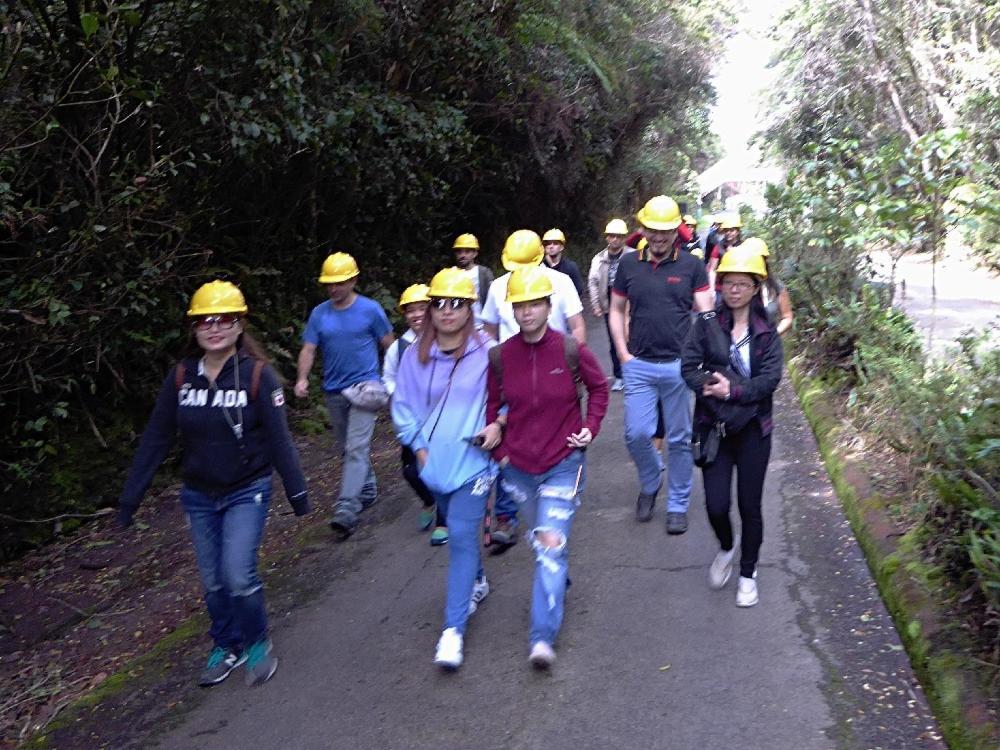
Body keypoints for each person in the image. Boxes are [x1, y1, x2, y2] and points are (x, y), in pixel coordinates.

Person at [117, 280, 309, 687]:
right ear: (195, 328)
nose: (214, 327)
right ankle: (227, 643)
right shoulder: (182, 378)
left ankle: (257, 641)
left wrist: (298, 495)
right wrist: (130, 500)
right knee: (213, 580)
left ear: (239, 326)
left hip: (247, 489)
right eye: (205, 320)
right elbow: (156, 437)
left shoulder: (259, 377)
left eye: (224, 319)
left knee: (238, 574)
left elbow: (279, 440)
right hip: (199, 493)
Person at [483, 267, 609, 668]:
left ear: (547, 306)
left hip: (563, 463)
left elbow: (600, 388)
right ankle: (557, 574)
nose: (527, 313)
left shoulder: (570, 349)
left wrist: (590, 428)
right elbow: (492, 405)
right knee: (544, 545)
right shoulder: (501, 356)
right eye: (520, 306)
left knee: (550, 546)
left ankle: (541, 638)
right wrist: (498, 453)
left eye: (535, 304)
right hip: (517, 468)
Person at [391, 268, 496, 670]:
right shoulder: (415, 356)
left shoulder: (489, 351)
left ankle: (452, 631)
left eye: (457, 303)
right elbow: (402, 407)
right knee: (459, 529)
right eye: (439, 304)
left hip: (475, 464)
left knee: (462, 537)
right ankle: (479, 580)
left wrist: (497, 425)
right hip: (434, 467)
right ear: (430, 309)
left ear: (470, 308)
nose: (447, 311)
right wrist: (418, 450)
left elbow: (504, 399)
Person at [680, 246, 783, 607]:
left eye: (742, 284)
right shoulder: (706, 325)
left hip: (755, 429)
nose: (734, 290)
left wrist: (734, 390)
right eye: (728, 283)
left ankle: (747, 573)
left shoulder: (767, 332)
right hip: (714, 429)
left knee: (750, 506)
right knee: (716, 506)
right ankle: (726, 546)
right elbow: (689, 366)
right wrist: (709, 384)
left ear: (756, 287)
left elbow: (770, 380)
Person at [608, 195, 713, 534]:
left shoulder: (691, 265)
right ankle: (651, 480)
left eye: (665, 231)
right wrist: (623, 354)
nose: (658, 237)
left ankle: (678, 504)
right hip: (638, 364)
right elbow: (616, 310)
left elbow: (706, 313)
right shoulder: (628, 265)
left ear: (676, 232)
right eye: (653, 230)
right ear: (643, 229)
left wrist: (710, 353)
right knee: (636, 434)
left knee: (680, 440)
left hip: (679, 368)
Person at [481, 229, 586, 550]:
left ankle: (556, 495)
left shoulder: (558, 283)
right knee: (506, 440)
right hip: (512, 378)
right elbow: (488, 332)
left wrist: (572, 365)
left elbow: (577, 326)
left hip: (555, 377)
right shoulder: (499, 287)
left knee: (558, 440)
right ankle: (506, 515)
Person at [295, 252, 394, 539]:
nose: (333, 288)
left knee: (355, 448)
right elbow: (308, 349)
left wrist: (400, 380)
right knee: (348, 448)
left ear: (353, 280)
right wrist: (302, 378)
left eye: (339, 282)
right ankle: (367, 487)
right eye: (329, 284)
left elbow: (390, 345)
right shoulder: (319, 314)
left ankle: (346, 509)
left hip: (366, 389)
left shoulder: (371, 310)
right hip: (334, 392)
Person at [383, 283, 448, 544]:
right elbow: (387, 378)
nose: (417, 315)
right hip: (410, 420)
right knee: (411, 471)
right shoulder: (398, 348)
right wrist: (399, 394)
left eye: (422, 308)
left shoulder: (444, 340)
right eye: (411, 311)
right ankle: (428, 501)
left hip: (441, 419)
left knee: (440, 469)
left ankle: (444, 522)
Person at [588, 219, 632, 392]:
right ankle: (619, 376)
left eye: (618, 236)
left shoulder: (633, 255)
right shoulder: (599, 259)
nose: (615, 239)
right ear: (606, 238)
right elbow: (593, 282)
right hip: (609, 303)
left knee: (633, 338)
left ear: (624, 238)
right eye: (611, 236)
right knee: (615, 341)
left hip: (631, 303)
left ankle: (634, 374)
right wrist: (595, 305)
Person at [740, 237, 794, 336]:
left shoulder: (776, 287)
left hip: (767, 345)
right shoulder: (734, 286)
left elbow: (787, 317)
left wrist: (772, 336)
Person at [452, 233, 494, 323]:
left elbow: (493, 300)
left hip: (481, 324)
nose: (462, 255)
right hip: (458, 325)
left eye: (467, 251)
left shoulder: (484, 273)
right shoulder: (450, 274)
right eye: (459, 251)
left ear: (475, 253)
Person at [541, 228, 585, 298]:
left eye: (555, 243)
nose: (551, 246)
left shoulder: (570, 267)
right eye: (548, 244)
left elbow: (578, 290)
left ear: (561, 247)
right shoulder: (540, 268)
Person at [707, 214, 743, 291]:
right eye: (726, 230)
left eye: (732, 230)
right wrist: (712, 289)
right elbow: (712, 270)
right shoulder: (718, 247)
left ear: (737, 232)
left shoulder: (744, 247)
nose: (728, 233)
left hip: (739, 287)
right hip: (721, 288)